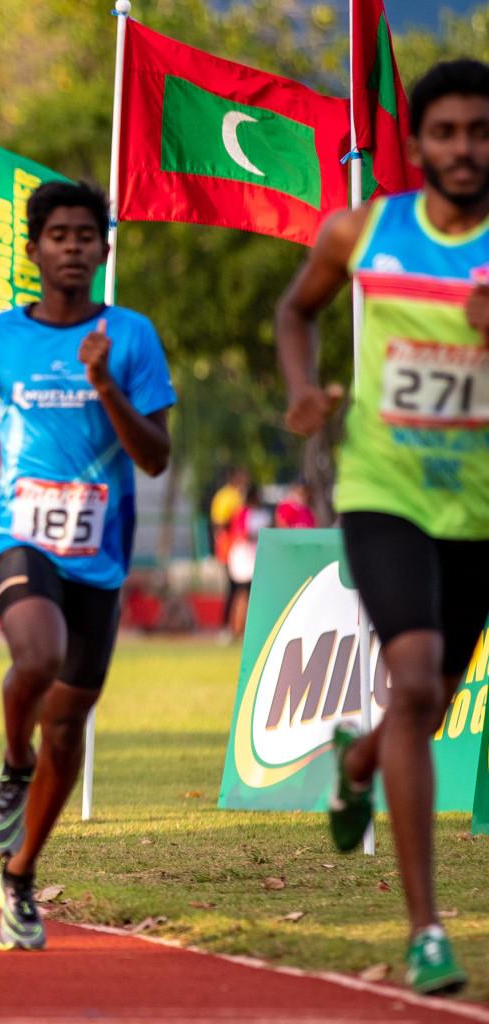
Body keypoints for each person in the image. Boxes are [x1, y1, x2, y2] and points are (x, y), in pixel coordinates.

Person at [273, 59, 489, 996]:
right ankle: (426, 930)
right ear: (419, 142)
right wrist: (302, 392)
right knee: (411, 675)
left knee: (429, 698)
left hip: (477, 505)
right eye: (445, 132)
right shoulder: (365, 229)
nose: (464, 150)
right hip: (384, 489)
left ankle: (355, 764)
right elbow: (295, 309)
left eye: (480, 131)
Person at [0, 179, 175, 951]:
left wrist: (104, 382)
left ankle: (22, 875)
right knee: (35, 656)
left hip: (99, 551)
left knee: (68, 728)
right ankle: (12, 764)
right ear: (34, 249)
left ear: (104, 249)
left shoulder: (132, 336)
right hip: (18, 532)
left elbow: (158, 456)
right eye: (58, 235)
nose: (73, 247)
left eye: (86, 235)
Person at [225, 480, 269, 640]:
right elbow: (240, 534)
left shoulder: (262, 514)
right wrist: (258, 535)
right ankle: (237, 628)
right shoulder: (244, 513)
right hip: (244, 559)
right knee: (242, 594)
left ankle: (247, 629)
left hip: (256, 558)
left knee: (251, 595)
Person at [210, 467, 249, 634]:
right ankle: (227, 626)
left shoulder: (239, 495)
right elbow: (219, 522)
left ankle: (235, 626)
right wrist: (235, 522)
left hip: (240, 548)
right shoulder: (226, 496)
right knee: (232, 588)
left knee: (238, 588)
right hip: (229, 547)